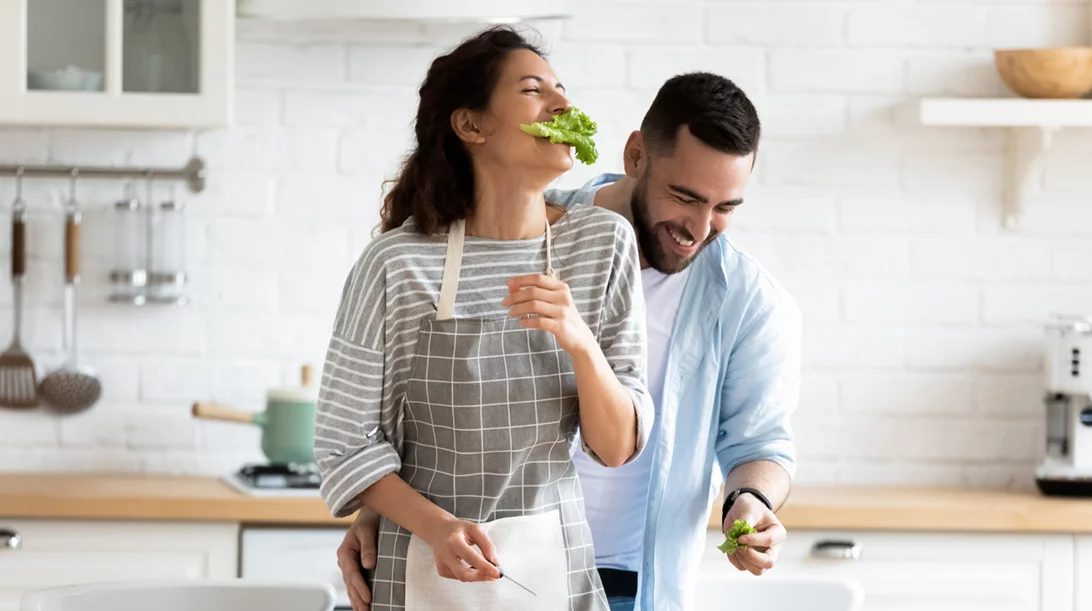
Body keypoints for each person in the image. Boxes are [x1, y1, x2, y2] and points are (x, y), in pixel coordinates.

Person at [335, 71, 799, 611]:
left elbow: (759, 443)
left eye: (725, 208)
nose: (698, 228)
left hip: (628, 580)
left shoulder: (749, 300)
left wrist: (751, 502)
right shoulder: (525, 229)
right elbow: (442, 407)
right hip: (494, 564)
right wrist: (385, 510)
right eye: (684, 197)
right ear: (635, 155)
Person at [314, 26, 654, 611]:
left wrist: (580, 344)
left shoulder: (602, 244)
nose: (562, 104)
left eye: (562, 90)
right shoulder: (397, 262)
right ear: (472, 126)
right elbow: (344, 443)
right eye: (532, 90)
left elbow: (617, 447)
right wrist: (434, 525)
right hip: (423, 559)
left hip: (556, 568)